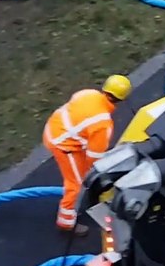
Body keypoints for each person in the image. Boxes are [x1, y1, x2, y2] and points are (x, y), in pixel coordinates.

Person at [43, 74, 132, 235]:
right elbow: (94, 158)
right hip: (63, 144)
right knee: (75, 184)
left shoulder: (88, 93)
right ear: (121, 99)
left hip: (54, 129)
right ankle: (66, 223)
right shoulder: (103, 124)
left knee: (82, 174)